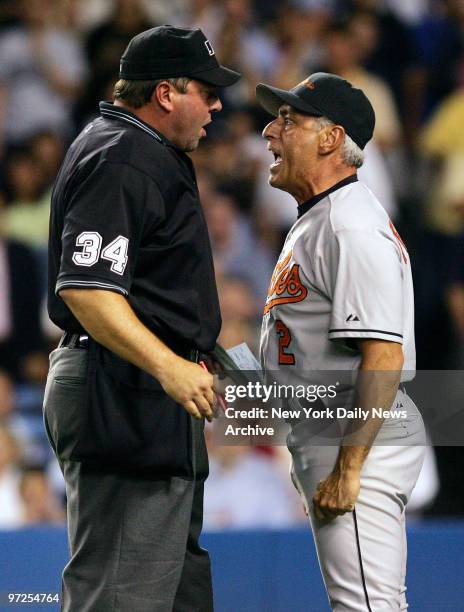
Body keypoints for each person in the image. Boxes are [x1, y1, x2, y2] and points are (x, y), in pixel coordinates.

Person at [43, 25, 240, 611]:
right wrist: (168, 366)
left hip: (144, 398)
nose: (217, 104)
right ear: (165, 93)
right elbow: (87, 290)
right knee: (120, 598)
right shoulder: (123, 156)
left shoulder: (136, 148)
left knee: (174, 596)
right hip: (123, 394)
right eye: (205, 91)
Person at [256, 72, 426, 610]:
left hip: (358, 433)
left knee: (369, 607)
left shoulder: (350, 226)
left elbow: (383, 355)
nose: (269, 131)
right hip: (333, 428)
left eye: (288, 120)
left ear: (331, 139)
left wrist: (347, 468)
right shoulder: (323, 218)